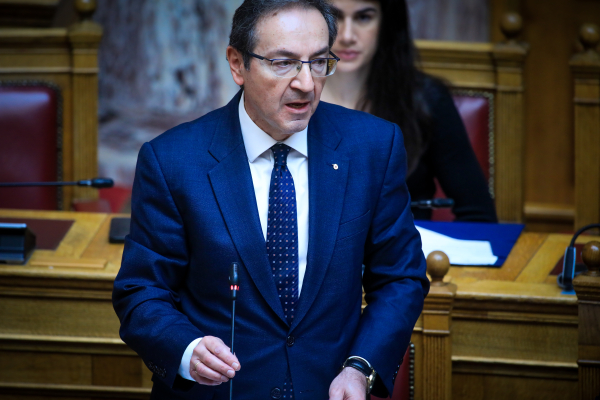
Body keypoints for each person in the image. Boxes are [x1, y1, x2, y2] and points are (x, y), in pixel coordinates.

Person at [112, 0, 429, 399]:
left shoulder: (373, 146)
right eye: (283, 63)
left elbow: (401, 277)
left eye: (319, 62)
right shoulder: (173, 160)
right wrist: (186, 349)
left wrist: (360, 367)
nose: (306, 83)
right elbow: (142, 291)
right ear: (237, 64)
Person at [321, 0, 498, 222]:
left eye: (364, 17)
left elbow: (478, 215)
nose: (347, 36)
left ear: (387, 22)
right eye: (334, 17)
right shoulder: (292, 97)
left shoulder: (425, 99)